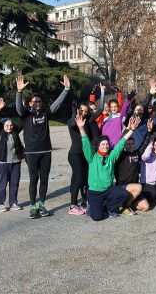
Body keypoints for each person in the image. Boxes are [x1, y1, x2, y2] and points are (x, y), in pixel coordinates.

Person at [15, 74, 70, 219]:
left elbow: (57, 104)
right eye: (34, 101)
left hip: (46, 151)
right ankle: (33, 207)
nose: (37, 103)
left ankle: (42, 205)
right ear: (29, 103)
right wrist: (19, 92)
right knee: (34, 179)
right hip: (31, 152)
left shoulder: (46, 113)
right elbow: (18, 108)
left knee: (44, 179)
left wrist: (66, 90)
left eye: (39, 101)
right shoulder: (25, 114)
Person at [76, 113, 140, 221]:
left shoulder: (111, 157)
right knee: (97, 217)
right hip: (95, 192)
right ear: (98, 146)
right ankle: (90, 207)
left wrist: (132, 130)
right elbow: (86, 142)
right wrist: (81, 128)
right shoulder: (92, 157)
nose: (105, 146)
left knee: (124, 194)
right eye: (103, 144)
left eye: (107, 144)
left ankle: (109, 208)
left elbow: (121, 143)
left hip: (109, 190)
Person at [67, 83, 105, 215]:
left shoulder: (88, 121)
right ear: (77, 110)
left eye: (86, 111)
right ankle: (72, 206)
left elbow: (99, 109)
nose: (84, 113)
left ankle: (84, 202)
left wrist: (102, 91)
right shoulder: (73, 121)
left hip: (86, 154)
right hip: (75, 154)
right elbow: (73, 122)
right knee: (77, 178)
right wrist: (74, 112)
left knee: (84, 178)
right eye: (81, 110)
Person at [0, 98, 24, 212]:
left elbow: (21, 121)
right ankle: (0, 203)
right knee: (2, 184)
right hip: (3, 163)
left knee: (14, 183)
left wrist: (23, 107)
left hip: (16, 162)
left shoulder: (15, 132)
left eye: (11, 125)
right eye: (6, 125)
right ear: (3, 126)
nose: (9, 127)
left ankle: (13, 202)